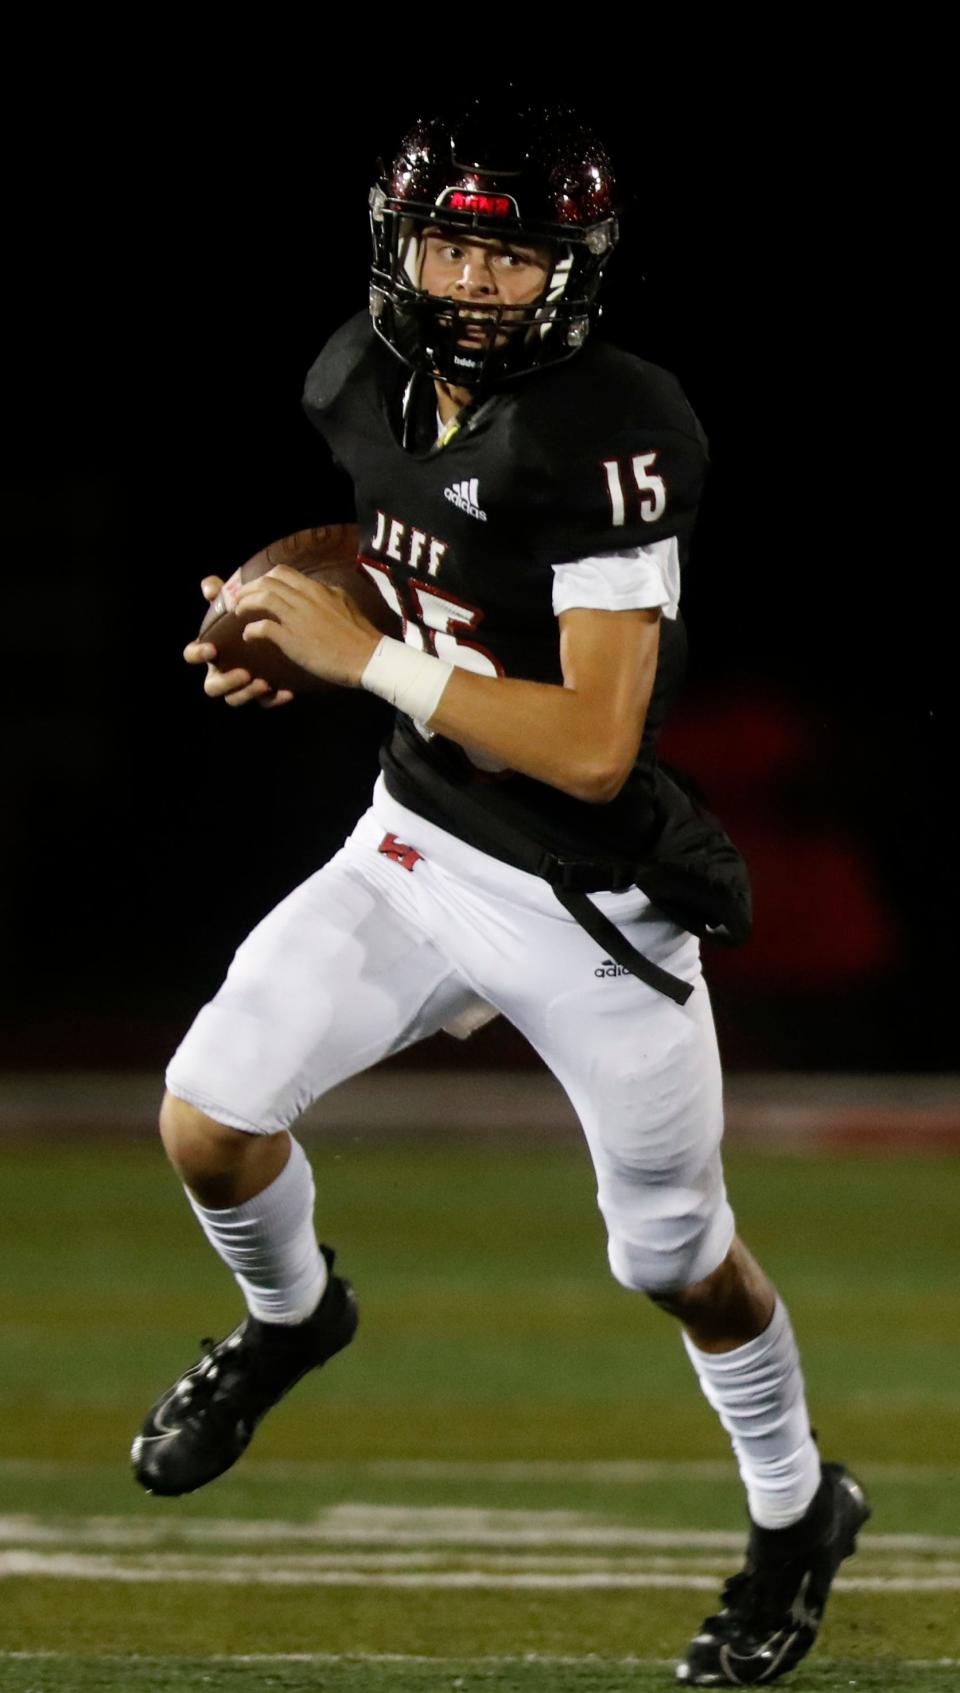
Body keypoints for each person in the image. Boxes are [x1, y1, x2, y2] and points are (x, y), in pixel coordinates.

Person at [131, 103, 869, 1686]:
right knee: (208, 1109)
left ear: (574, 273)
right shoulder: (356, 372)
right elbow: (391, 541)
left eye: (510, 253)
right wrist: (293, 604)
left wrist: (366, 657)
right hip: (415, 837)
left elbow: (599, 747)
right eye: (454, 243)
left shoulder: (610, 429)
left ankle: (799, 1509)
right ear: (401, 246)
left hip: (590, 897)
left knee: (675, 1259)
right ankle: (292, 1318)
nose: (474, 282)